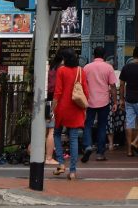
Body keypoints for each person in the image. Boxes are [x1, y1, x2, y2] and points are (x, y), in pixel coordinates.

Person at [52, 48, 89, 180]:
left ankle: (61, 163)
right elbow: (86, 91)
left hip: (63, 108)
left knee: (56, 133)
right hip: (76, 108)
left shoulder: (61, 70)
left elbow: (58, 92)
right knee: (73, 138)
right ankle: (73, 171)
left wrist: (53, 107)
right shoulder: (81, 71)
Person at [82, 46, 117, 163]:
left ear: (93, 55)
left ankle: (87, 146)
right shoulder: (108, 67)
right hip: (104, 101)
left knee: (87, 125)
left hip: (89, 101)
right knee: (102, 126)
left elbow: (83, 85)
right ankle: (100, 154)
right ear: (104, 56)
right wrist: (115, 102)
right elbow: (112, 86)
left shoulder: (86, 68)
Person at [45, 52, 63, 165]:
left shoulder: (47, 68)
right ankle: (49, 157)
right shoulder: (60, 71)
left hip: (42, 100)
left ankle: (34, 152)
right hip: (53, 101)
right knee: (52, 130)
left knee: (43, 130)